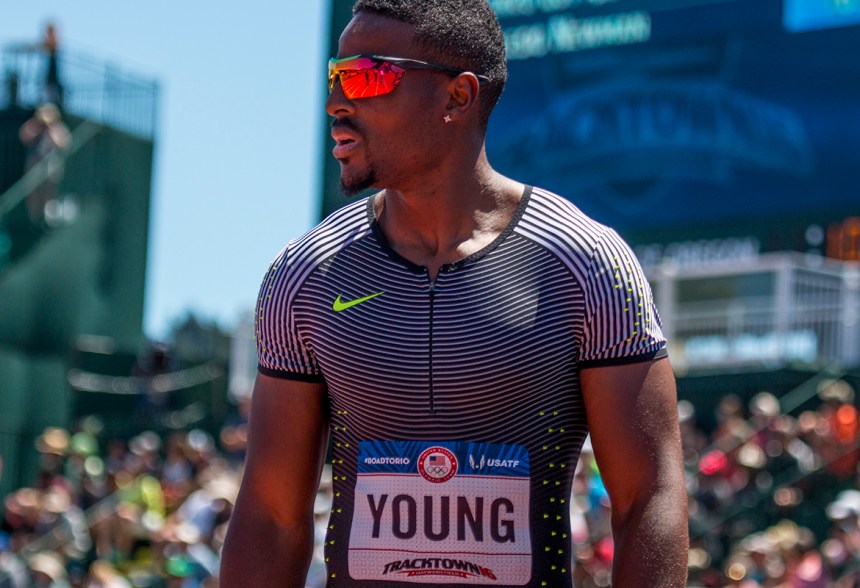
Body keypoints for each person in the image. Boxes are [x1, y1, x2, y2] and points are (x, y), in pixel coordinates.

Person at [220, 1, 688, 586]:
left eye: (367, 76)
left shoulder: (585, 263)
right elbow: (271, 516)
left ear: (457, 97)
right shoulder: (305, 275)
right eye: (336, 77)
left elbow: (648, 498)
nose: (337, 102)